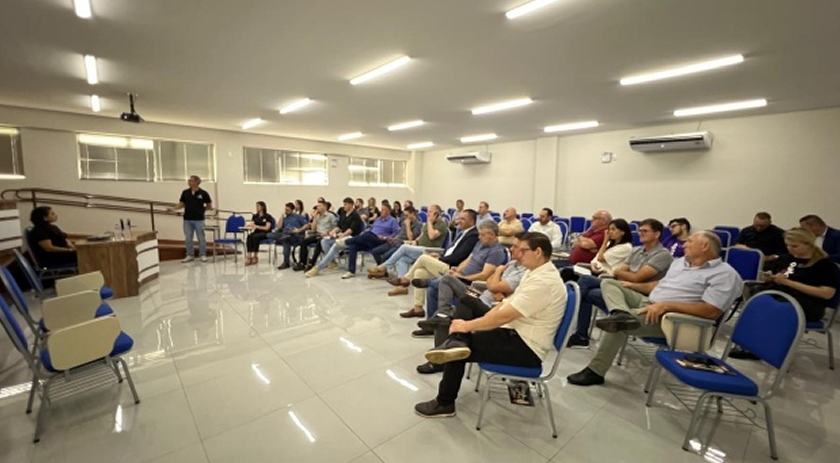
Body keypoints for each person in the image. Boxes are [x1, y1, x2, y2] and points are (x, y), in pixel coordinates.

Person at [413, 232, 566, 417]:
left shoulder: (544, 282)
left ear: (538, 252)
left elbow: (505, 316)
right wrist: (474, 323)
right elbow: (505, 305)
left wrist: (467, 326)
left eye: (522, 250)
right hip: (514, 330)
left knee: (457, 352)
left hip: (527, 347)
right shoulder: (534, 272)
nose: (516, 254)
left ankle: (444, 403)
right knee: (467, 301)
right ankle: (455, 338)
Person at [566, 231, 742, 386]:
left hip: (674, 319)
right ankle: (620, 312)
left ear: (705, 246)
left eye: (689, 241)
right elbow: (658, 286)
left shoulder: (724, 275)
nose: (684, 244)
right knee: (609, 283)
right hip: (650, 302)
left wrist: (666, 306)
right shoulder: (681, 263)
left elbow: (711, 311)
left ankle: (596, 371)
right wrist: (633, 286)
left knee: (619, 325)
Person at [416, 233, 529, 374]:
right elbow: (490, 282)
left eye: (516, 247)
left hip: (490, 306)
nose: (511, 249)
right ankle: (441, 313)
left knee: (452, 312)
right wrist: (495, 281)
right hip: (480, 294)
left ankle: (439, 360)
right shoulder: (511, 263)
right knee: (447, 279)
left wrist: (498, 274)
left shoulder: (523, 271)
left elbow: (492, 282)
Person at [729, 228, 840, 359]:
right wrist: (771, 277)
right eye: (787, 245)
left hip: (807, 304)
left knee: (768, 307)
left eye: (794, 246)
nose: (790, 249)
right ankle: (750, 342)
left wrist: (789, 283)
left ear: (808, 244)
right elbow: (781, 275)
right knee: (757, 299)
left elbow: (827, 293)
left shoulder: (825, 265)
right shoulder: (787, 259)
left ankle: (758, 347)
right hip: (783, 296)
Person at [565, 219, 673, 348]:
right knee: (587, 289)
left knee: (586, 282)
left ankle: (566, 316)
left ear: (657, 234)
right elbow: (618, 272)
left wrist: (627, 274)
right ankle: (580, 334)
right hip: (619, 285)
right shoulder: (636, 250)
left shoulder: (662, 255)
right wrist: (627, 274)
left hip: (638, 294)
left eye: (645, 231)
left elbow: (637, 278)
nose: (641, 234)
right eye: (640, 231)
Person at [411, 220, 508, 336]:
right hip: (461, 278)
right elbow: (468, 260)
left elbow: (484, 275)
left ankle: (431, 287)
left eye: (482, 235)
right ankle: (433, 324)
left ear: (491, 235)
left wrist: (462, 276)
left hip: (472, 285)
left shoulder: (496, 252)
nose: (479, 237)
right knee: (433, 289)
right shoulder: (480, 244)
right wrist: (457, 270)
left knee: (445, 280)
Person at [389, 209, 480, 317]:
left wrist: (440, 259)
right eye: (459, 218)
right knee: (419, 273)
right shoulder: (462, 233)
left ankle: (406, 279)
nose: (459, 221)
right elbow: (452, 251)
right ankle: (418, 309)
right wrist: (439, 256)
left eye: (463, 219)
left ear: (472, 221)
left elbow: (459, 257)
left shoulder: (473, 235)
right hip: (446, 262)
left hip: (453, 268)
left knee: (423, 258)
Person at [311, 204, 400, 279]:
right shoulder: (378, 219)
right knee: (354, 245)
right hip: (369, 239)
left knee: (368, 235)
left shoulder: (392, 221)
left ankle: (346, 242)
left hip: (380, 240)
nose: (381, 211)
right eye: (381, 209)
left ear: (388, 211)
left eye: (383, 210)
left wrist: (385, 237)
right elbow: (371, 228)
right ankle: (351, 271)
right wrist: (364, 233)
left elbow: (396, 234)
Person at [367, 204, 448, 281]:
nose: (427, 214)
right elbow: (422, 235)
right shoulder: (428, 224)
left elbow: (431, 236)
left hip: (430, 250)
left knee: (403, 248)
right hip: (419, 248)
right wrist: (414, 242)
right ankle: (402, 282)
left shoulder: (441, 224)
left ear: (436, 213)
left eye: (430, 212)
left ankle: (384, 266)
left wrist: (429, 222)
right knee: (403, 260)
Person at [305, 197, 364, 277]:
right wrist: (333, 231)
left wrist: (341, 236)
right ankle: (332, 262)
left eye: (346, 204)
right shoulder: (343, 213)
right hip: (341, 235)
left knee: (336, 244)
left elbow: (351, 230)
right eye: (344, 204)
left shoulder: (355, 215)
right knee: (324, 242)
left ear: (351, 205)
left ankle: (318, 267)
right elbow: (339, 226)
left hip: (350, 237)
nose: (344, 206)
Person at [171, 175, 213, 263]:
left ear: (197, 182)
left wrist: (202, 210)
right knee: (188, 238)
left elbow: (209, 205)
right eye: (189, 180)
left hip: (199, 219)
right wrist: (174, 208)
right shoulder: (185, 192)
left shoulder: (203, 193)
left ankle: (202, 254)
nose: (189, 182)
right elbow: (181, 203)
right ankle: (190, 254)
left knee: (201, 237)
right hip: (187, 219)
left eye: (191, 180)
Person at [293, 201, 337, 271]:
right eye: (317, 206)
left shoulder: (330, 216)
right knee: (304, 242)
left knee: (319, 243)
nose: (317, 207)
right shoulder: (318, 216)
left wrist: (327, 233)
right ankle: (302, 262)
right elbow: (313, 228)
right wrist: (315, 217)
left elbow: (335, 228)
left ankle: (312, 263)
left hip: (326, 236)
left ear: (325, 207)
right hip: (317, 234)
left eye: (319, 206)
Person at [270, 202, 309, 270]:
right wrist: (281, 217)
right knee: (276, 236)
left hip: (296, 235)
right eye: (285, 210)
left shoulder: (298, 216)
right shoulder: (284, 218)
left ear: (292, 210)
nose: (286, 211)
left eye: (288, 210)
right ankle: (286, 262)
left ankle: (286, 262)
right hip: (286, 234)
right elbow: (278, 227)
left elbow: (307, 225)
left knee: (285, 239)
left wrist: (298, 230)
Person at [244, 201, 275, 266]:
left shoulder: (268, 216)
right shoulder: (255, 216)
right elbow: (252, 223)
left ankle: (255, 256)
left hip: (265, 233)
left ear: (262, 207)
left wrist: (257, 226)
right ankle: (249, 256)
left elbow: (267, 228)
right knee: (250, 236)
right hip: (257, 232)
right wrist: (247, 226)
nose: (256, 207)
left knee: (255, 237)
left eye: (258, 206)